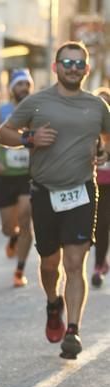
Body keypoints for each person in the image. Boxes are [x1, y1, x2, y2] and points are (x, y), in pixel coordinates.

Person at [0, 41, 110, 359]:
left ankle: (73, 331)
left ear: (86, 69)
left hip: (82, 191)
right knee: (50, 264)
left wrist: (103, 151)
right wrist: (28, 139)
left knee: (76, 264)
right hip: (45, 192)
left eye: (79, 64)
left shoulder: (97, 106)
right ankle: (52, 303)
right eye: (67, 63)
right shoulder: (37, 103)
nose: (73, 68)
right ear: (56, 66)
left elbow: (107, 138)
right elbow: (3, 135)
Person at [0, 69, 35, 287]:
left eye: (27, 85)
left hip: (28, 176)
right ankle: (13, 237)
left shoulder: (36, 111)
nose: (24, 89)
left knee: (25, 216)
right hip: (6, 177)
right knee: (8, 227)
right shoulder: (0, 113)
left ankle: (19, 271)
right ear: (12, 88)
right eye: (19, 84)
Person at [91, 87, 110, 287]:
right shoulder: (88, 128)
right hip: (91, 183)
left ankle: (99, 264)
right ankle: (100, 262)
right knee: (97, 225)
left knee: (104, 224)